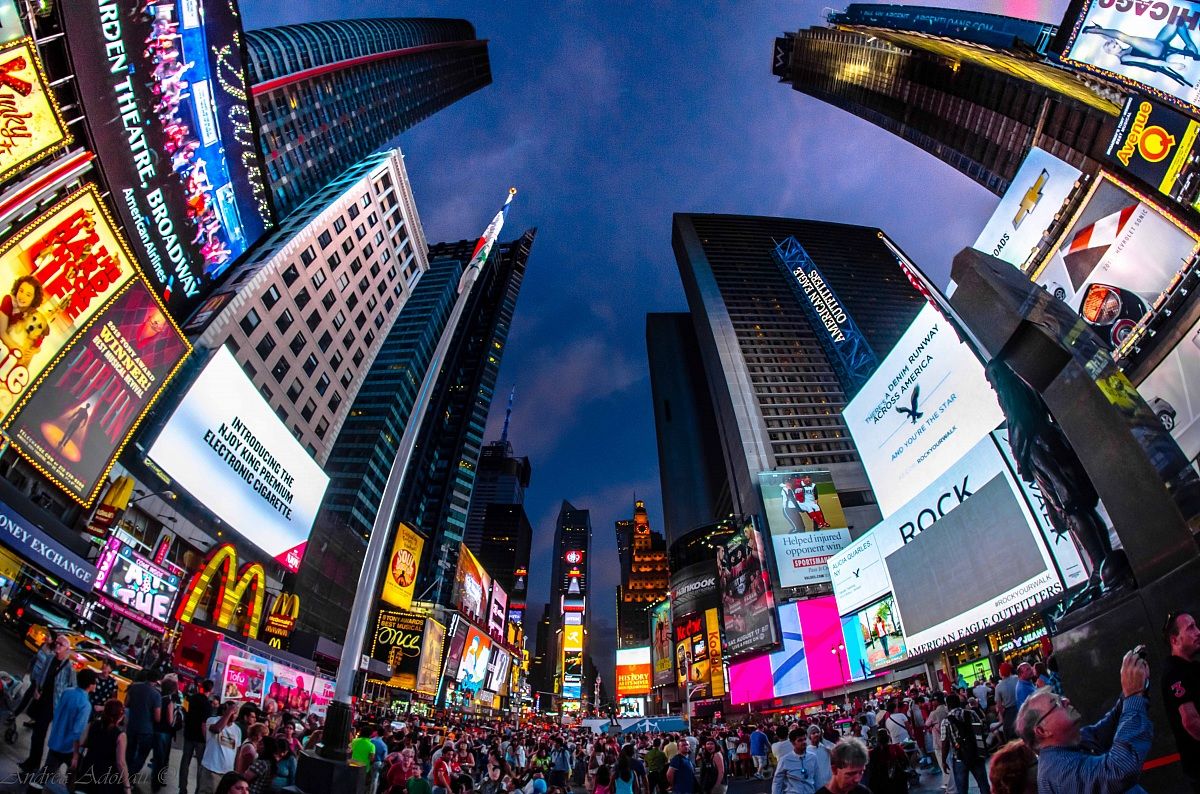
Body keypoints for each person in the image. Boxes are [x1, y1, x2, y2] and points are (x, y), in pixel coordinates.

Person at [1016, 648, 1152, 794]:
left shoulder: (1071, 742)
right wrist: (1133, 695)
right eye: (1056, 703)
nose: (1066, 700)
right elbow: (1118, 770)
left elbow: (1108, 726)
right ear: (1042, 731)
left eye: (1060, 697)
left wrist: (1133, 686)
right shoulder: (1059, 772)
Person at [21, 631, 76, 771]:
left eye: (61, 644)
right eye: (57, 643)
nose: (57, 645)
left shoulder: (69, 667)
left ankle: (33, 764)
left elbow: (72, 687)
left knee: (39, 732)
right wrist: (37, 689)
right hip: (41, 698)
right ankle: (32, 761)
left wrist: (63, 702)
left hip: (52, 704)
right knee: (36, 733)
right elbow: (42, 674)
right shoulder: (50, 658)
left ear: (67, 648)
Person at [38, 667, 96, 781]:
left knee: (45, 773)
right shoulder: (85, 705)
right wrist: (76, 755)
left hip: (56, 740)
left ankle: (33, 787)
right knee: (78, 778)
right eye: (94, 682)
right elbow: (77, 731)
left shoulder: (67, 692)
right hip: (69, 747)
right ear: (90, 685)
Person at [1164, 611, 1200, 792]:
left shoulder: (1192, 668)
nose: (1198, 632)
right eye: (1191, 628)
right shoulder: (1174, 673)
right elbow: (1190, 721)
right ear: (1175, 640)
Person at [74, 699, 131, 794]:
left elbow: (81, 742)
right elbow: (121, 763)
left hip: (87, 771)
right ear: (121, 716)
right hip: (106, 778)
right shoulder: (120, 735)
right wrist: (127, 787)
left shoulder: (92, 724)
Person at [942, 693, 990, 794]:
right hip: (976, 754)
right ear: (959, 703)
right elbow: (982, 730)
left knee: (962, 788)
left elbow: (945, 743)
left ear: (948, 705)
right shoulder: (971, 713)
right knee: (983, 785)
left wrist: (943, 761)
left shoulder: (946, 721)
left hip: (959, 756)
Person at [123, 669, 161, 776]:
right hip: (146, 729)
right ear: (157, 680)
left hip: (132, 726)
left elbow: (126, 703)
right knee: (142, 754)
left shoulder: (134, 687)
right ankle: (131, 775)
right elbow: (157, 717)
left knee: (129, 752)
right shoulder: (156, 694)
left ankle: (124, 774)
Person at [181, 680, 216, 794]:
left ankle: (182, 787)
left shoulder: (192, 698)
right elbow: (204, 724)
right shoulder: (207, 705)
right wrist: (206, 739)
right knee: (200, 765)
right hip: (200, 738)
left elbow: (186, 711)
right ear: (211, 690)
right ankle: (198, 789)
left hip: (189, 734)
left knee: (185, 761)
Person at [200, 701, 242, 794]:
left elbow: (237, 752)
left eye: (236, 713)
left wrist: (236, 772)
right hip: (211, 769)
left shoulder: (237, 730)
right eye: (232, 712)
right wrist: (229, 712)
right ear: (224, 711)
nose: (234, 715)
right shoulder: (212, 720)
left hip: (227, 773)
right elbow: (217, 729)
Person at [152, 675, 181, 790]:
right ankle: (158, 782)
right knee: (163, 758)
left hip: (156, 730)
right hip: (165, 732)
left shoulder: (159, 697)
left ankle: (155, 781)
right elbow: (170, 721)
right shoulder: (169, 701)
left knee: (157, 757)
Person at [771, 727, 816, 794]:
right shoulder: (785, 760)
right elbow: (777, 782)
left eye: (805, 739)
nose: (804, 742)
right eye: (800, 740)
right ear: (793, 743)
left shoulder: (813, 757)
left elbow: (817, 778)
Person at [994, 663, 1019, 741]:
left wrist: (1003, 716)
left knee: (1010, 735)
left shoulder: (998, 687)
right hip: (1021, 706)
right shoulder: (1017, 678)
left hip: (1009, 712)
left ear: (1001, 673)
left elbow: (999, 706)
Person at [805, 726, 831, 791]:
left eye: (817, 732)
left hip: (829, 784)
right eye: (813, 733)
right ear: (809, 736)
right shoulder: (807, 751)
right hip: (817, 787)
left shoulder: (826, 748)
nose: (816, 734)